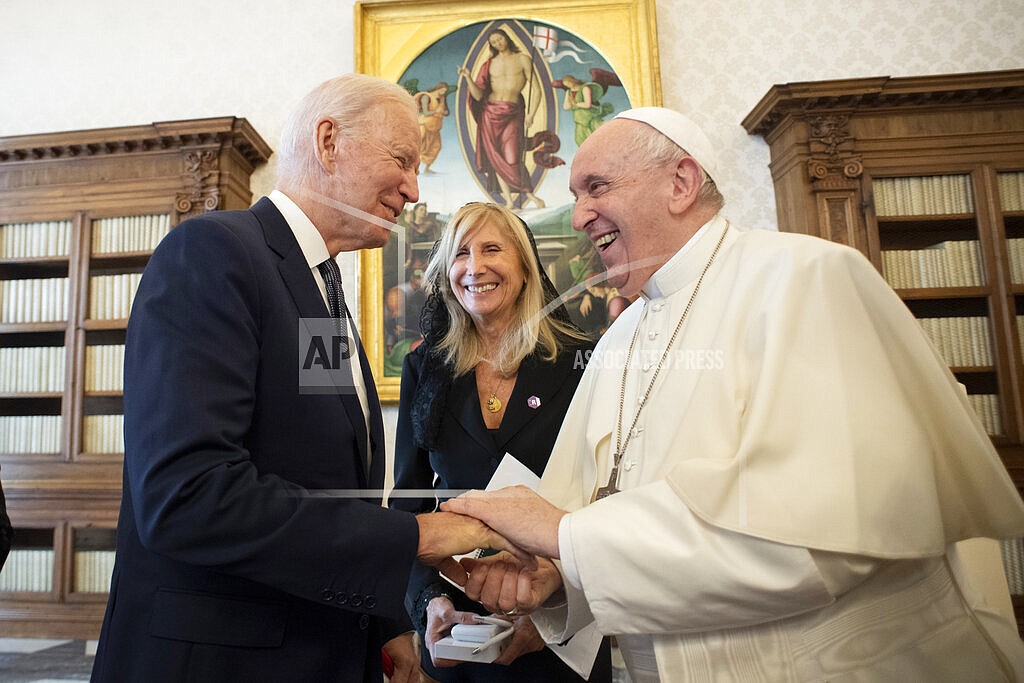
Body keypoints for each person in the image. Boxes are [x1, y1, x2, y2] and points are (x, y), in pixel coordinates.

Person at [442, 107, 1024, 681]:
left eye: (596, 187)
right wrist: (560, 579)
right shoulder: (618, 338)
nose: (580, 215)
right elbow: (600, 516)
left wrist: (565, 537)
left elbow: (818, 534)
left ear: (681, 182)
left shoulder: (805, 279)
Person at [91, 74, 520, 683]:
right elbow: (188, 496)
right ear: (328, 142)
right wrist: (415, 536)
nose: (414, 188)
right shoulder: (215, 254)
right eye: (402, 160)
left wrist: (384, 624)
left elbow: (325, 475)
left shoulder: (320, 290)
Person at [390, 202, 611, 682]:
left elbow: (608, 495)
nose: (475, 267)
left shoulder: (586, 360)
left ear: (526, 268)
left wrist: (556, 608)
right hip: (459, 634)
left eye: (492, 249)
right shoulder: (424, 368)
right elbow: (407, 503)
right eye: (460, 253)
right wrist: (432, 603)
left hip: (562, 628)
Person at [458, 29, 545, 209]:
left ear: (507, 38)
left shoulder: (523, 59)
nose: (498, 43)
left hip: (512, 112)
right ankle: (509, 200)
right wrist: (468, 78)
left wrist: (531, 114)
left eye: (500, 39)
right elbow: (477, 95)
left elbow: (536, 89)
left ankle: (530, 194)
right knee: (494, 157)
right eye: (494, 42)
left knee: (512, 157)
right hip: (490, 113)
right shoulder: (489, 64)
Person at [415, 82, 450, 174]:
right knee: (419, 146)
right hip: (424, 124)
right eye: (442, 90)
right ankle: (414, 167)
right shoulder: (427, 97)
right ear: (438, 88)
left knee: (436, 146)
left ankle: (427, 168)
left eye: (445, 92)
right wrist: (436, 111)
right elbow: (425, 113)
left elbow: (446, 111)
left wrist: (444, 111)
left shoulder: (442, 99)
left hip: (435, 127)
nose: (443, 93)